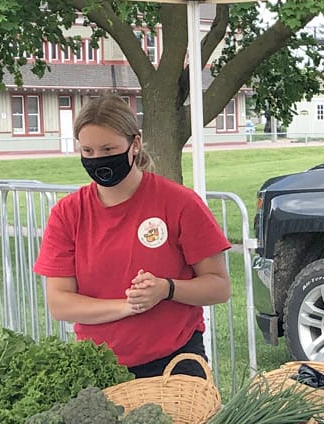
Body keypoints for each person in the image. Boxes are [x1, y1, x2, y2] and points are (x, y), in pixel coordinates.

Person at [33, 94, 231, 379]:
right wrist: (129, 306)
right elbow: (60, 303)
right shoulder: (68, 213)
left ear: (134, 144)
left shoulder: (179, 202)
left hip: (175, 362)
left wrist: (167, 289)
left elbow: (219, 287)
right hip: (98, 367)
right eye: (87, 151)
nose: (97, 159)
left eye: (107, 149)